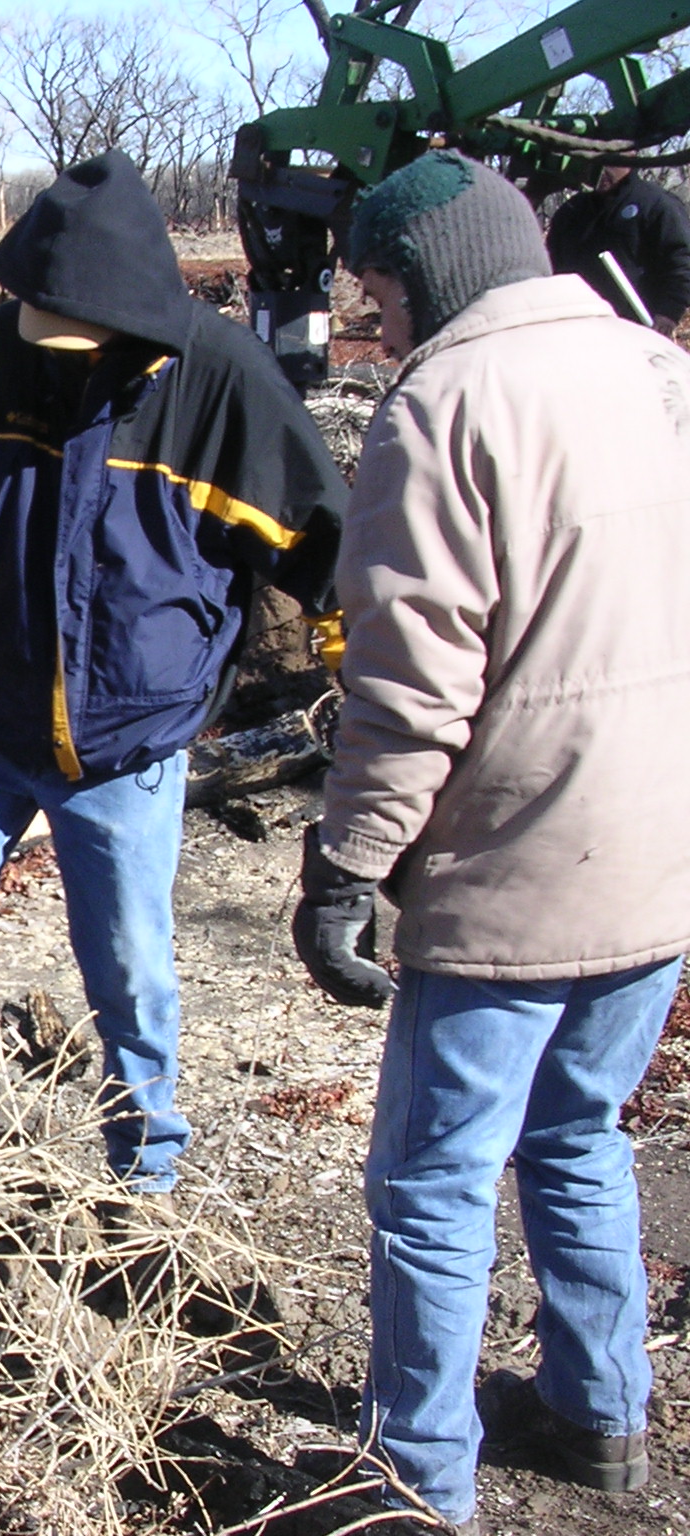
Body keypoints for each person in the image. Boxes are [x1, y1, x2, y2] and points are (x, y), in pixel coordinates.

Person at [294, 151, 690, 1534]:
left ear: (439, 275)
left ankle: (413, 1485)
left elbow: (413, 688)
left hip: (515, 868)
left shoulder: (444, 405)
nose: (374, 326)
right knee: (579, 1136)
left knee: (432, 1187)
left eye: (381, 292)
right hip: (659, 855)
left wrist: (347, 861)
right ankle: (599, 1419)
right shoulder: (655, 369)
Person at [0, 151, 346, 1203]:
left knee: (125, 972)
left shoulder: (220, 385)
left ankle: (142, 1185)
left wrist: (360, 658)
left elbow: (326, 546)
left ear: (131, 318)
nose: (54, 351)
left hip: (127, 737)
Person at [546, 163, 690, 332]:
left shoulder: (657, 205)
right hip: (575, 327)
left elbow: (682, 262)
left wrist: (668, 313)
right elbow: (550, 265)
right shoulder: (572, 210)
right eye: (596, 161)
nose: (601, 170)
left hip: (636, 327)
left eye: (609, 161)